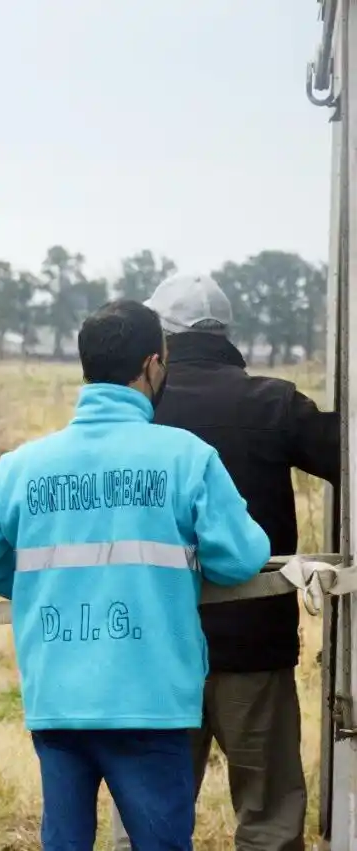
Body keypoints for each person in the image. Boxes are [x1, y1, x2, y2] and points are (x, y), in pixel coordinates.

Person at [0, 299, 270, 851]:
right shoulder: (187, 458)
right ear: (151, 366)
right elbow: (241, 557)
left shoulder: (23, 465)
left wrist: (41, 582)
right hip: (151, 701)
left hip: (56, 700)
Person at [105, 273, 341, 851]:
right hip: (254, 648)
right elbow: (349, 458)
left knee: (147, 823)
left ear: (161, 340)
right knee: (269, 819)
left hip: (155, 648)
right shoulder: (274, 401)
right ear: (227, 335)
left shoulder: (131, 414)